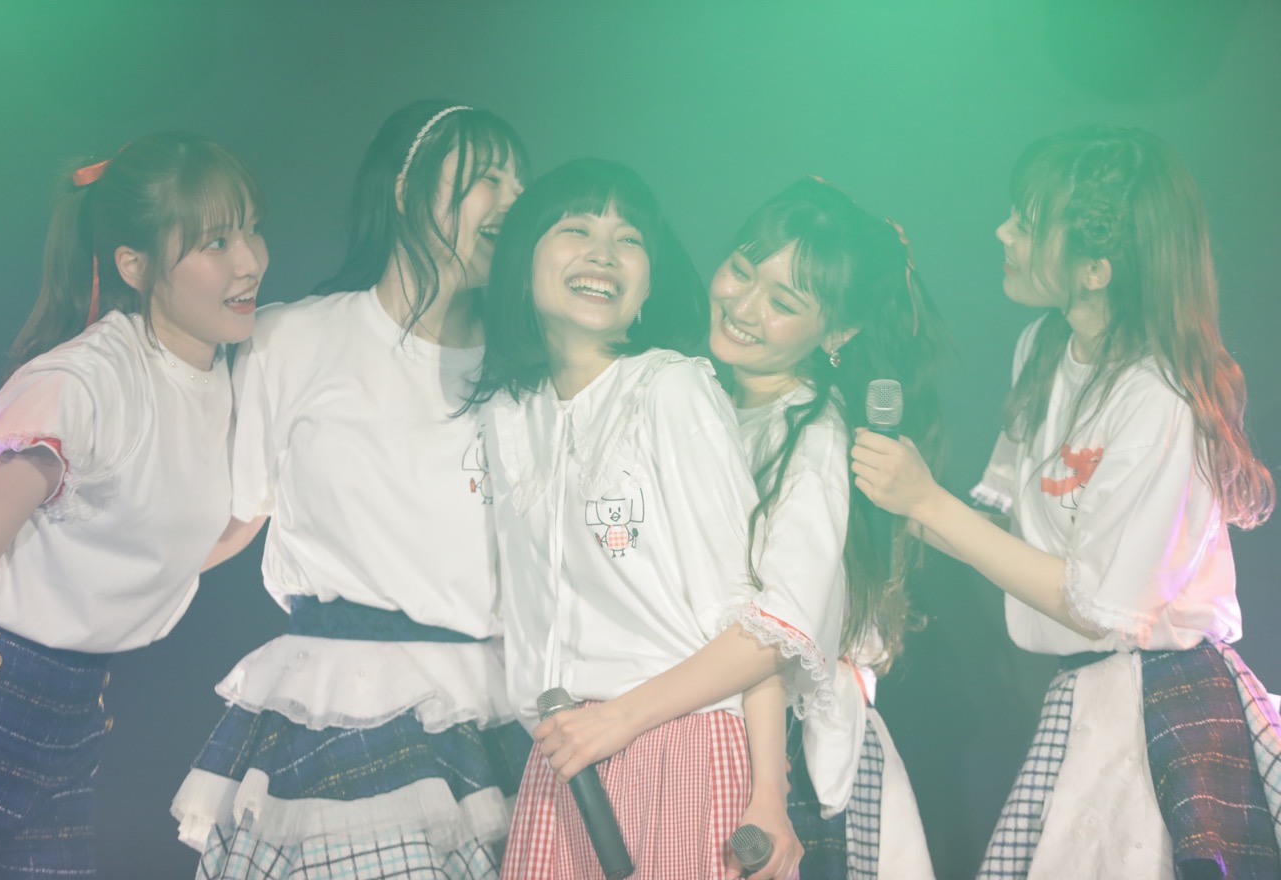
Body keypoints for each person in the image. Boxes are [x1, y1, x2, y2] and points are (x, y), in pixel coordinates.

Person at [851, 124, 1281, 879]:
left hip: (1164, 703)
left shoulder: (1158, 395)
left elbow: (1099, 606)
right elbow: (1008, 537)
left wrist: (928, 502)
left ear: (1096, 269)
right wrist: (901, 501)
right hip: (1084, 694)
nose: (1003, 232)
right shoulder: (1043, 347)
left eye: (1026, 221)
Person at [532, 177, 943, 878]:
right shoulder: (689, 391)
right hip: (680, 737)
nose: (745, 307)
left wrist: (619, 719)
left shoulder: (812, 440)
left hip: (779, 773)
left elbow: (778, 630)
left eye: (783, 303)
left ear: (837, 333)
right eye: (742, 271)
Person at [170, 101, 529, 879]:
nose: (513, 200)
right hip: (340, 703)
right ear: (404, 189)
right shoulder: (291, 339)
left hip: (493, 717)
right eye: (487, 178)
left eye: (520, 183)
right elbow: (232, 519)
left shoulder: (527, 372)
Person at [469, 158, 796, 879]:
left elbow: (754, 625)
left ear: (648, 286)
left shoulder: (670, 388)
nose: (604, 254)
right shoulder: (507, 412)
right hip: (562, 761)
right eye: (576, 229)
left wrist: (770, 798)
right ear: (522, 261)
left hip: (680, 744)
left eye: (629, 239)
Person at [0, 132, 267, 878]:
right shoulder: (84, 382)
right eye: (214, 242)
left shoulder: (233, 379)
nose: (249, 262)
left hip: (74, 716)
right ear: (135, 265)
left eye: (251, 230)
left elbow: (176, 547)